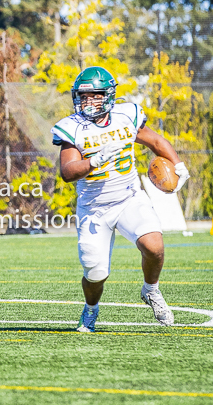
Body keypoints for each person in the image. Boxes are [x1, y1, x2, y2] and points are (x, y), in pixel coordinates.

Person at [51, 66, 190, 332]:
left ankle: (151, 290)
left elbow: (155, 141)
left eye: (95, 95)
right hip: (94, 209)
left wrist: (178, 164)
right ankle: (91, 309)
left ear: (109, 96)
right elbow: (68, 172)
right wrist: (95, 160)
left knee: (154, 246)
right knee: (95, 273)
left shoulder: (126, 115)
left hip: (128, 198)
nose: (88, 101)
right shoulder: (72, 128)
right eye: (83, 96)